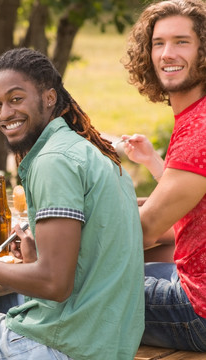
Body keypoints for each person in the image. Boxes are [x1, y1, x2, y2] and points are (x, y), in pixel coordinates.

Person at [0, 48, 144, 359]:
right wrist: (38, 256)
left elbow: (54, 284)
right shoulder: (85, 151)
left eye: (16, 99)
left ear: (49, 98)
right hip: (105, 341)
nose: (4, 113)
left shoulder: (53, 161)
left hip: (65, 344)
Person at [122, 0, 206, 351]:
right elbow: (192, 207)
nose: (167, 53)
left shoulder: (198, 130)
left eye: (181, 41)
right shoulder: (195, 117)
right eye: (158, 43)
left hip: (197, 312)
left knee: (57, 293)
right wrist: (156, 165)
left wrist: (59, 237)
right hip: (193, 282)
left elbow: (142, 231)